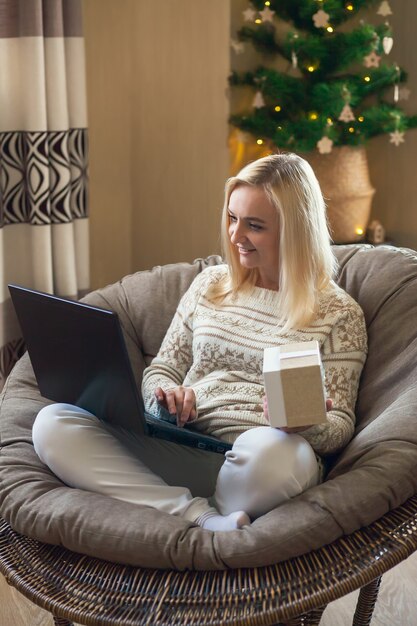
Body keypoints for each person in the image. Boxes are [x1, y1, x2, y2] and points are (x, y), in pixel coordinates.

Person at [32, 152, 367, 532]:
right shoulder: (210, 285)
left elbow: (340, 424)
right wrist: (166, 397)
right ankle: (201, 517)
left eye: (254, 226)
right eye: (232, 218)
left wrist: (304, 425)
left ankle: (195, 512)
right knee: (52, 423)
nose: (235, 236)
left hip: (258, 463)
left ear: (296, 230)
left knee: (281, 456)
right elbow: (162, 369)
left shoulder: (339, 314)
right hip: (183, 443)